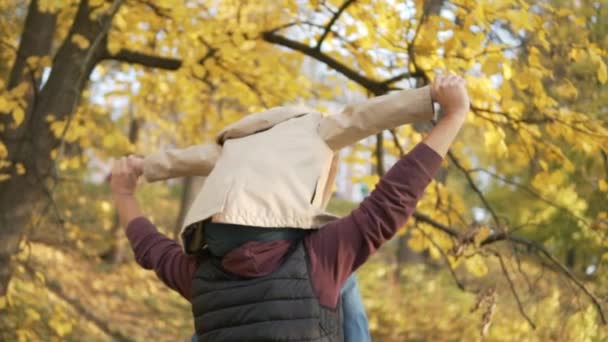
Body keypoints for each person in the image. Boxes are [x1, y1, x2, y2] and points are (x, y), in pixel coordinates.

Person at [111, 74, 469, 341]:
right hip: (279, 227)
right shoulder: (318, 262)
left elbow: (152, 247)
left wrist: (134, 180)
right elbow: (374, 143)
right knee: (345, 281)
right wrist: (438, 105)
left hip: (220, 232)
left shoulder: (201, 275)